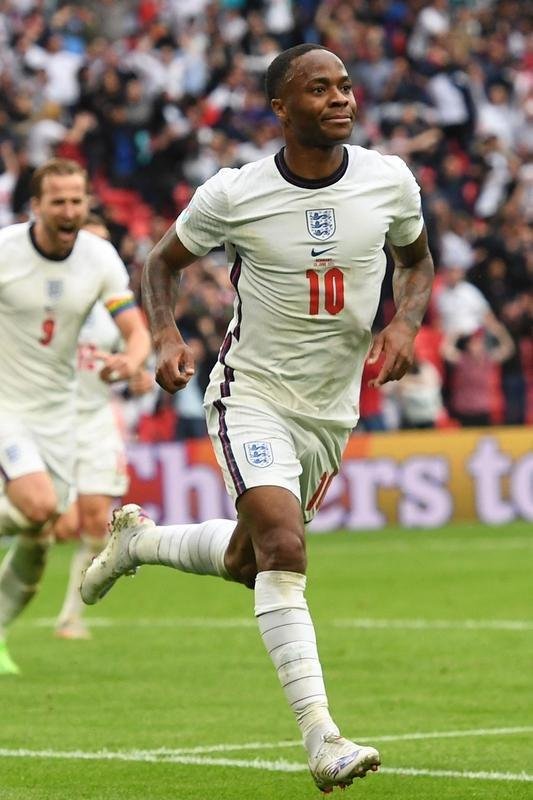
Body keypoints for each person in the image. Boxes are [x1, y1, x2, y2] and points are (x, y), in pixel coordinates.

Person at [81, 44, 434, 792]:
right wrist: (170, 337)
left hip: (331, 411)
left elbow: (416, 261)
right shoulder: (233, 193)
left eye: (344, 85)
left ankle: (139, 543)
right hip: (253, 394)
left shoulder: (388, 180)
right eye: (319, 89)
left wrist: (402, 325)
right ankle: (322, 738)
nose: (340, 98)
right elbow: (160, 264)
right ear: (280, 107)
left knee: (251, 560)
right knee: (282, 546)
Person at [0, 158, 151, 673]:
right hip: (6, 404)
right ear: (36, 205)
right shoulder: (6, 252)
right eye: (57, 201)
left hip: (59, 414)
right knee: (40, 503)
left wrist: (131, 361)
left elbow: (134, 329)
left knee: (43, 531)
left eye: (76, 200)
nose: (68, 210)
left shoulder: (99, 257)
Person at [53, 214, 154, 640]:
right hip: (48, 419)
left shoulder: (117, 311)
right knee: (54, 526)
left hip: (95, 418)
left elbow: (137, 367)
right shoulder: (48, 297)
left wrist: (134, 374)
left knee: (97, 523)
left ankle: (70, 618)